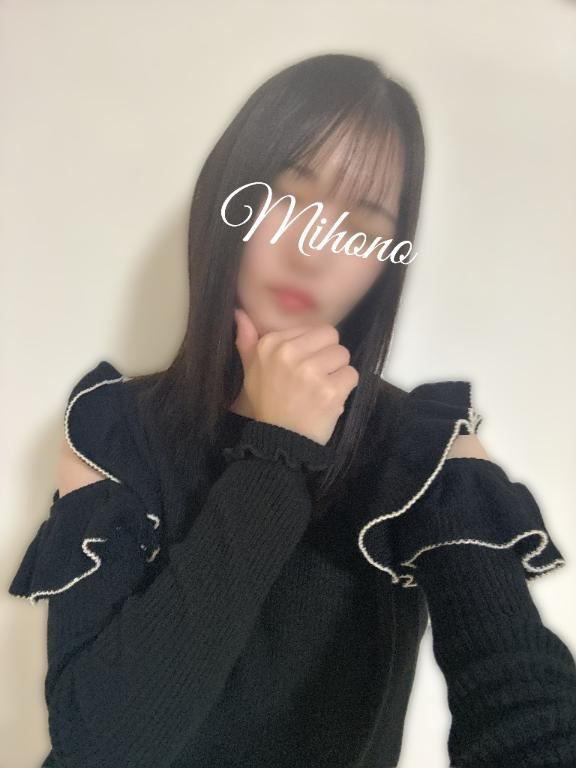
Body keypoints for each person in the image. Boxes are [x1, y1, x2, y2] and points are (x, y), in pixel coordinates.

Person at [8, 53, 576, 768]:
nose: (313, 250)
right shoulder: (113, 430)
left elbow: (521, 699)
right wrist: (277, 449)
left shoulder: (425, 450)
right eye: (286, 196)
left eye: (363, 224)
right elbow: (100, 746)